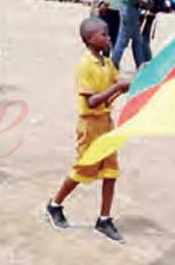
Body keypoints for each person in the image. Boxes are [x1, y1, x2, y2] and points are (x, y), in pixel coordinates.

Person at [45, 17, 130, 242]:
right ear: (90, 39)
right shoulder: (85, 65)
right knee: (83, 169)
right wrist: (117, 87)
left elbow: (118, 83)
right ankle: (55, 204)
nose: (108, 37)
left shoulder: (106, 63)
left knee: (111, 171)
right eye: (104, 34)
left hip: (106, 123)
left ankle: (104, 218)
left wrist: (131, 83)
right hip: (90, 125)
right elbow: (92, 101)